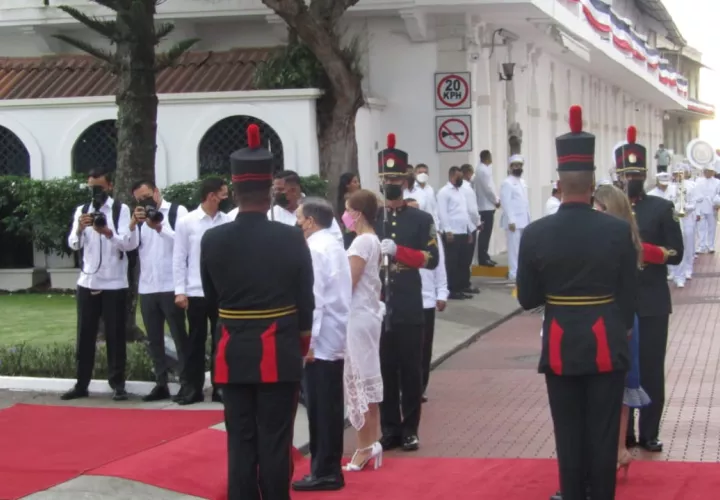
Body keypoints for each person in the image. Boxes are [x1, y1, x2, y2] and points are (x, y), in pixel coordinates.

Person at [517, 105, 638, 500]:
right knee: (603, 434)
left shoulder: (535, 234)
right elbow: (628, 295)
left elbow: (528, 297)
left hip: (559, 340)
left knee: (567, 432)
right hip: (606, 338)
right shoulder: (618, 231)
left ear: (559, 183)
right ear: (591, 185)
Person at [200, 124, 314, 500]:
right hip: (279, 351)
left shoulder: (212, 239)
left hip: (232, 350)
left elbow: (213, 299)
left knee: (240, 440)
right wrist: (300, 341)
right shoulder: (291, 237)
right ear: (269, 192)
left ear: (233, 191)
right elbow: (305, 298)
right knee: (276, 441)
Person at [615, 125, 683, 454]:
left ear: (645, 174)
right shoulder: (609, 210)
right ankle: (624, 434)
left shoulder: (660, 208)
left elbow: (677, 252)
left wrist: (649, 252)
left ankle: (649, 432)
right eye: (627, 174)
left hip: (654, 301)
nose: (632, 179)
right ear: (619, 174)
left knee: (652, 369)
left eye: (637, 173)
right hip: (619, 303)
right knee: (623, 368)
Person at [375, 133, 439, 452]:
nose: (392, 182)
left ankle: (410, 428)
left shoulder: (421, 218)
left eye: (396, 177)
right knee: (385, 369)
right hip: (379, 302)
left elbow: (432, 258)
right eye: (386, 177)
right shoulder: (371, 218)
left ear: (406, 178)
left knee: (411, 371)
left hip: (411, 301)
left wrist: (399, 251)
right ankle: (389, 428)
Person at [62, 168, 139, 402]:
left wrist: (107, 232)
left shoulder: (120, 210)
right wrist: (79, 228)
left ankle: (118, 384)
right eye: (91, 187)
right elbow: (74, 245)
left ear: (110, 187)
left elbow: (128, 243)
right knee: (85, 334)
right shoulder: (82, 211)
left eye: (99, 187)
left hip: (114, 283)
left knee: (116, 335)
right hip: (88, 281)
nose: (95, 192)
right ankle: (81, 384)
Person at [291, 197, 351, 492]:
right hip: (333, 336)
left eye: (299, 217)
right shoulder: (333, 243)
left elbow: (315, 300)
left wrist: (309, 342)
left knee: (321, 409)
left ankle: (325, 471)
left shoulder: (315, 248)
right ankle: (328, 468)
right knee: (328, 406)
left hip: (322, 341)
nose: (297, 223)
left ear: (311, 222)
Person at [592, 184, 651, 478]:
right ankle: (617, 451)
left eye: (598, 208)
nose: (594, 213)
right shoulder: (618, 236)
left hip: (617, 316)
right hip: (611, 316)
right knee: (611, 388)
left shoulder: (619, 240)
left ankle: (617, 450)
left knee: (620, 387)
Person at [172, 177, 232, 405]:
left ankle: (220, 387)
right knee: (195, 341)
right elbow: (179, 258)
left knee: (221, 341)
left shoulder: (226, 220)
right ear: (211, 195)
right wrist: (180, 290)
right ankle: (192, 388)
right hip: (196, 291)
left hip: (221, 291)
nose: (226, 199)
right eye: (223, 194)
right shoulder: (187, 222)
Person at [130, 180, 189, 401]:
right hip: (148, 286)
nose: (144, 201)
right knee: (154, 339)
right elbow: (129, 246)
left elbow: (182, 243)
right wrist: (133, 224)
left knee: (178, 336)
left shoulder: (176, 211)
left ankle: (186, 382)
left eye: (147, 196)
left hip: (171, 284)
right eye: (139, 199)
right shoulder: (139, 218)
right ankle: (160, 382)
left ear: (156, 192)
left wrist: (159, 227)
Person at [343, 189, 385, 471]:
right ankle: (372, 440)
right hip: (367, 315)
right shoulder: (374, 241)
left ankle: (363, 446)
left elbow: (349, 282)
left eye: (347, 209)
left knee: (358, 382)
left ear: (357, 213)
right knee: (367, 379)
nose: (344, 215)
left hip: (358, 318)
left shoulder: (361, 242)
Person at [406, 198, 448, 402]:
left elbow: (440, 266)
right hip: (405, 297)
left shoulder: (432, 237)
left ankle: (420, 386)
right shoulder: (400, 234)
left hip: (427, 298)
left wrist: (442, 292)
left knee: (424, 347)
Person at [437, 166, 475, 300]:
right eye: (459, 177)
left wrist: (469, 230)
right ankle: (451, 289)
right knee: (452, 262)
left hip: (463, 231)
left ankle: (460, 287)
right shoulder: (444, 192)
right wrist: (447, 230)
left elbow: (464, 212)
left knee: (462, 262)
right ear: (452, 176)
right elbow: (442, 213)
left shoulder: (460, 192)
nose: (461, 180)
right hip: (452, 232)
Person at [500, 154, 531, 281]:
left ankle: (520, 271)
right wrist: (511, 220)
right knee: (513, 249)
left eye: (520, 165)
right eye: (515, 165)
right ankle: (513, 273)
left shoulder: (522, 182)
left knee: (522, 248)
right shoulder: (507, 183)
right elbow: (506, 202)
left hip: (523, 220)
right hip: (513, 221)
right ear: (511, 167)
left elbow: (524, 202)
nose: (518, 168)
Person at [669, 164, 698, 287]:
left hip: (687, 218)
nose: (678, 176)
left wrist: (685, 208)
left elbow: (694, 203)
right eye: (676, 174)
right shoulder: (670, 187)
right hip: (674, 218)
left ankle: (688, 270)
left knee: (688, 244)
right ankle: (673, 271)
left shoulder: (691, 186)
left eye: (680, 173)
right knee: (673, 244)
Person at [474, 150, 500, 266]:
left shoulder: (481, 169)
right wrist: (496, 200)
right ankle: (483, 258)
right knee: (485, 233)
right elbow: (488, 188)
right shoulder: (484, 170)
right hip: (486, 206)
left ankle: (484, 255)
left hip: (485, 205)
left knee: (485, 233)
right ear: (487, 158)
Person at [460, 163, 481, 294]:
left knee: (462, 258)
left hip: (462, 227)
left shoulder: (459, 188)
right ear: (467, 173)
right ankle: (465, 283)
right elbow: (472, 210)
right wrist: (478, 222)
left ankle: (462, 283)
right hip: (470, 226)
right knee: (467, 258)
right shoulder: (468, 189)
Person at [692, 164, 720, 254]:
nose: (708, 173)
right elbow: (695, 193)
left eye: (710, 171)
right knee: (701, 227)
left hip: (712, 206)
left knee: (712, 227)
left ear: (713, 172)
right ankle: (701, 245)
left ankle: (710, 245)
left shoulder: (717, 182)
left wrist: (718, 203)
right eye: (706, 171)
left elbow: (719, 193)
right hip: (701, 206)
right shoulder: (698, 181)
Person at [413, 163, 441, 229]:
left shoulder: (430, 189)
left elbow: (434, 209)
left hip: (430, 225)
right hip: (417, 224)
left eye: (425, 172)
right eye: (420, 172)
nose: (423, 175)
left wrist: (437, 226)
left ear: (428, 174)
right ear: (415, 174)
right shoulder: (411, 189)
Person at [337, 172, 361, 249]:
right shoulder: (344, 202)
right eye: (355, 182)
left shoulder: (360, 199)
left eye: (357, 181)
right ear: (347, 185)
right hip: (351, 237)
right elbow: (348, 224)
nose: (358, 184)